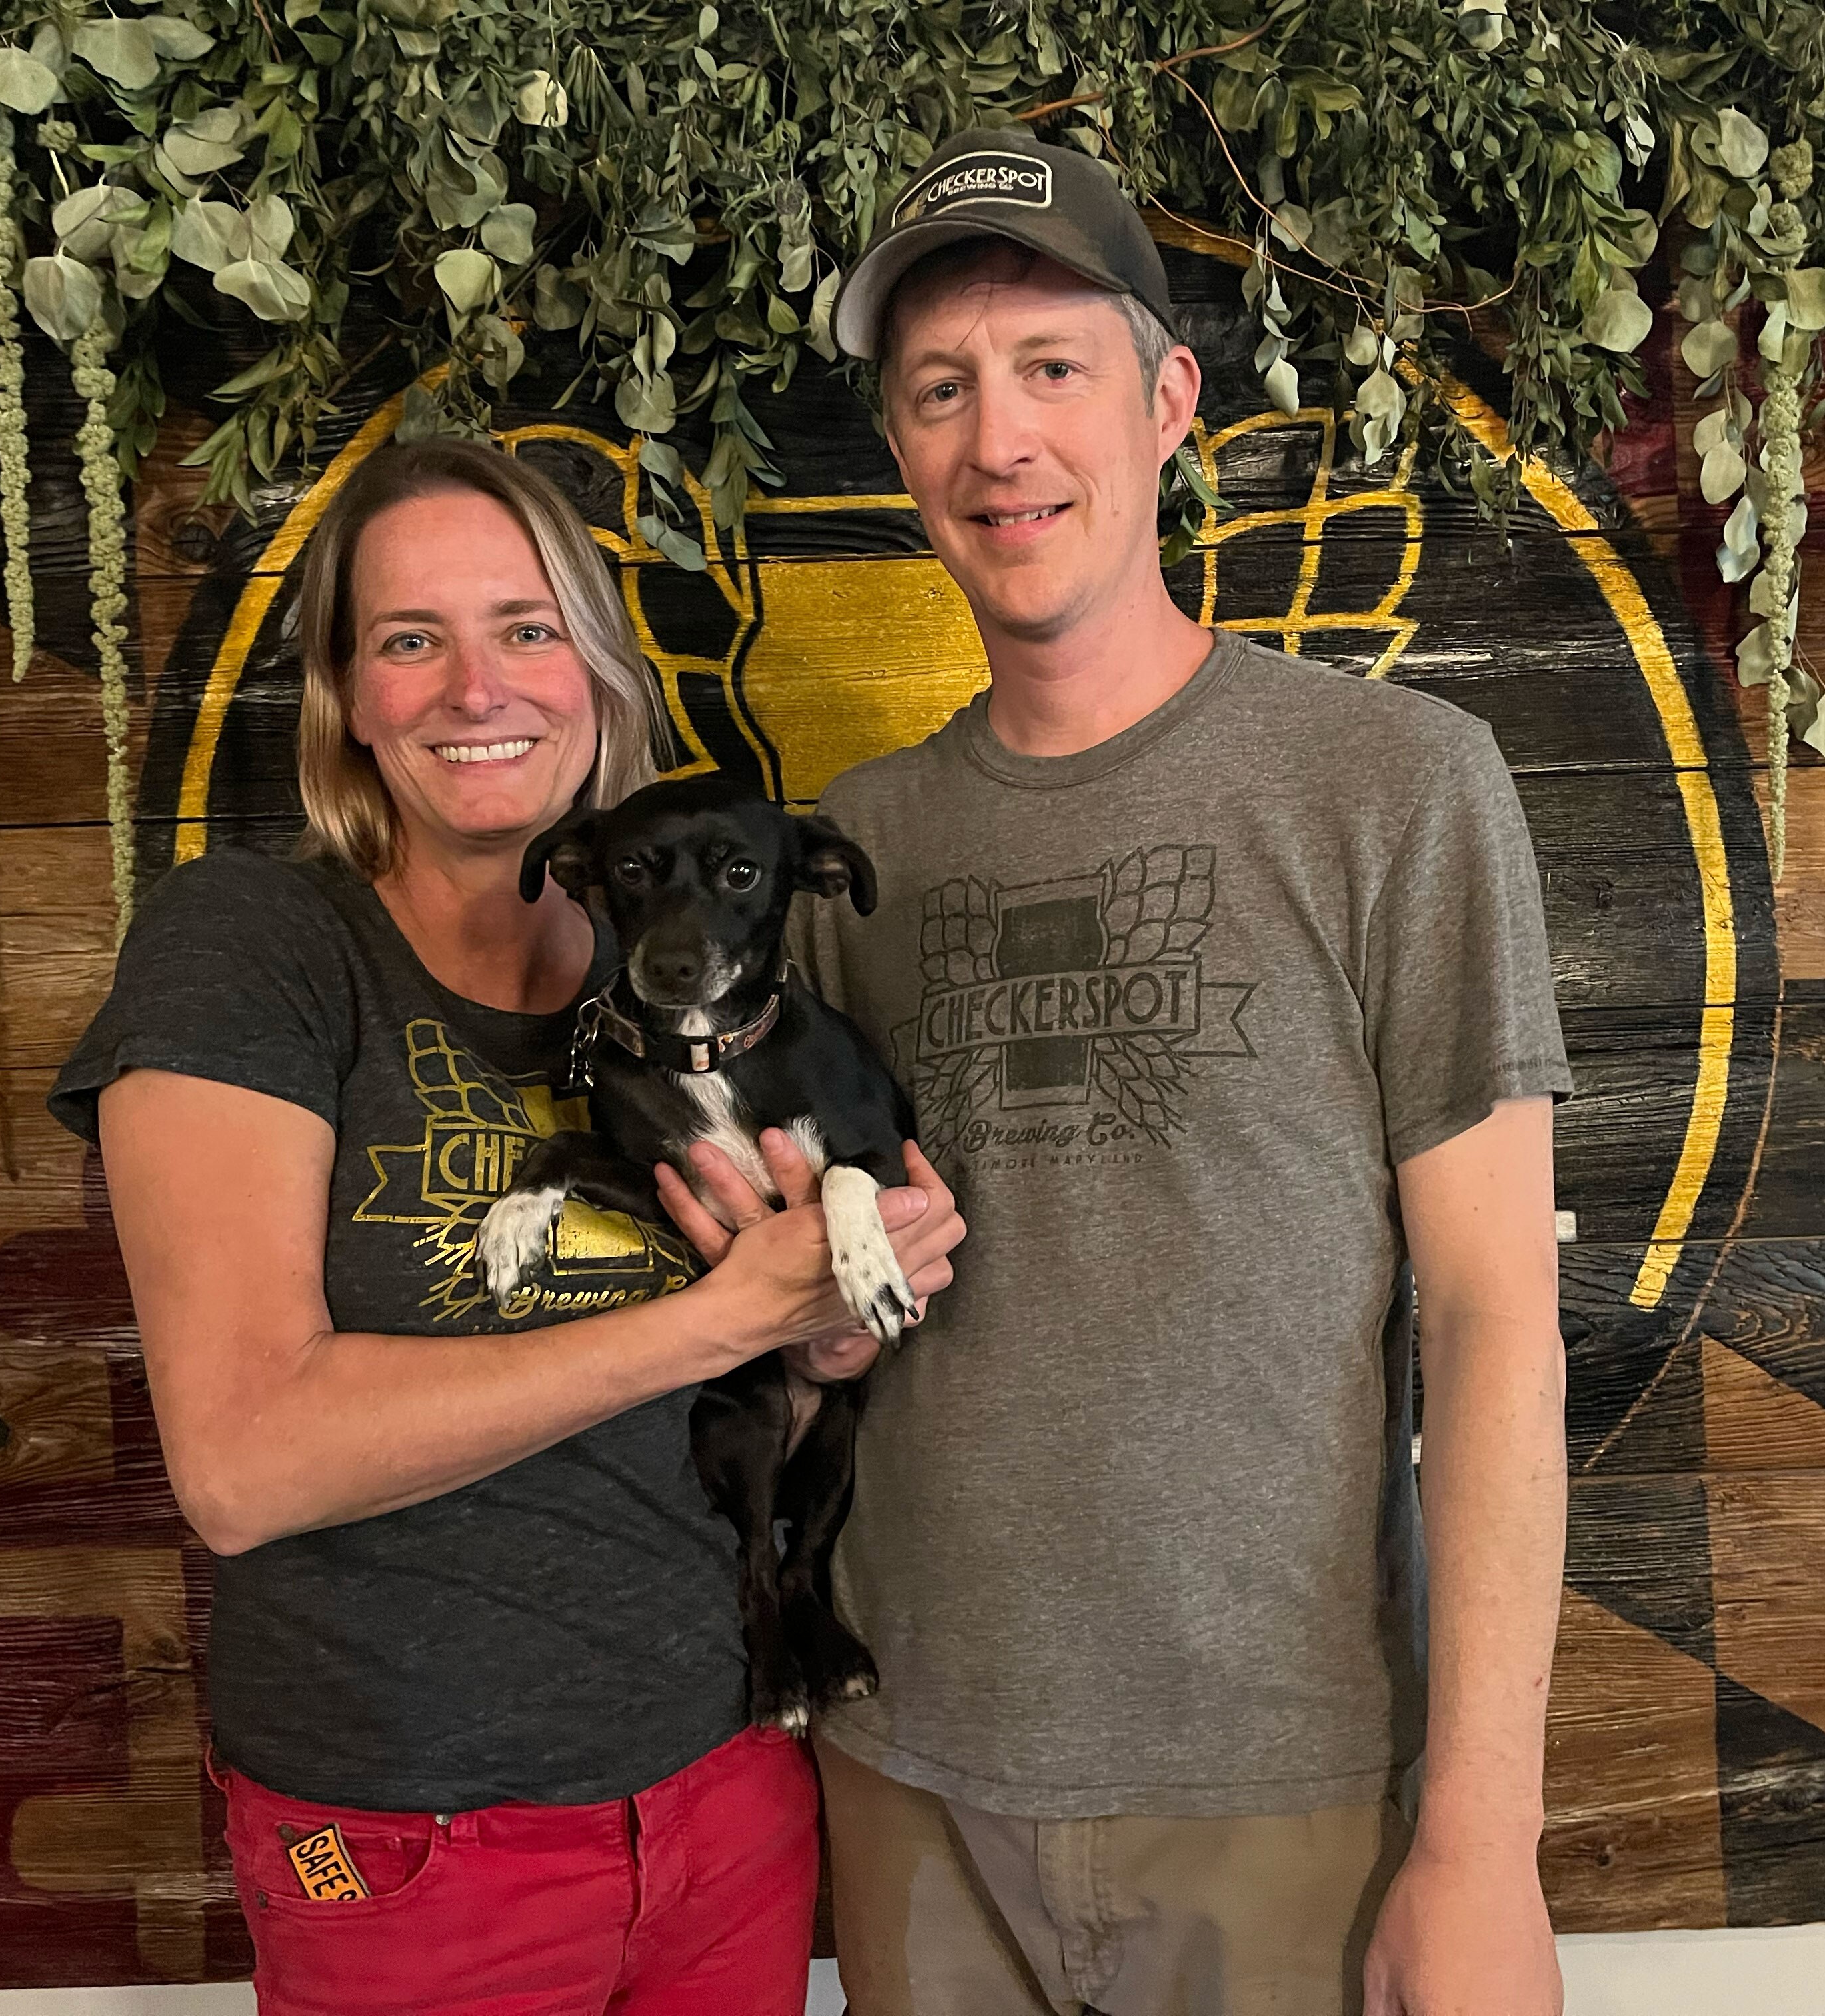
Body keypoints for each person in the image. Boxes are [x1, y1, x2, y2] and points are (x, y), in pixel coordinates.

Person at [667, 129, 1572, 2016]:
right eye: (941, 390)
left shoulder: (1394, 788)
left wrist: (1484, 1846)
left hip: (1289, 1784)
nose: (999, 440)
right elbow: (813, 1334)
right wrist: (819, 1334)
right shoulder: (851, 851)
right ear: (906, 453)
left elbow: (1496, 1324)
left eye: (1050, 369)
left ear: (1169, 403)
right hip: (913, 1770)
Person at [45, 437, 965, 2016]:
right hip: (409, 1835)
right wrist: (725, 1313)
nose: (479, 687)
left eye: (528, 628)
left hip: (730, 1783)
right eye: (413, 640)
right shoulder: (254, 945)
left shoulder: (694, 1008)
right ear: (346, 694)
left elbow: (779, 1375)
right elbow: (245, 1465)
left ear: (601, 674)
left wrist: (824, 1333)